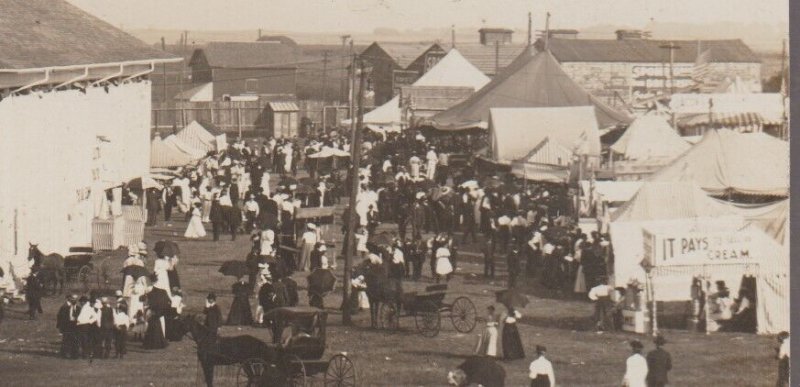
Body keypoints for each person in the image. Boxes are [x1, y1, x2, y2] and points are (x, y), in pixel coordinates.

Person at [56, 295, 79, 359]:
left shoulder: (78, 308)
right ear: (70, 300)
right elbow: (61, 317)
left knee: (75, 340)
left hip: (75, 326)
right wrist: (60, 327)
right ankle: (64, 354)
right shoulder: (65, 308)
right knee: (66, 340)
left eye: (75, 299)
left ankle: (74, 355)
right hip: (67, 325)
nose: (73, 301)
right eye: (72, 299)